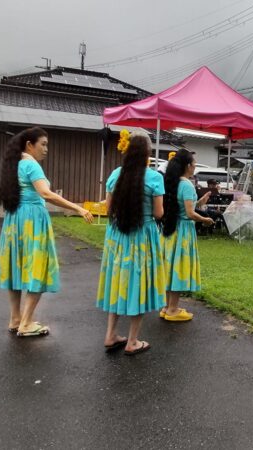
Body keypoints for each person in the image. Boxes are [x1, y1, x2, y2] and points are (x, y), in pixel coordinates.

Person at [0, 127, 93, 337]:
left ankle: (15, 318)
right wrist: (78, 207)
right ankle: (27, 322)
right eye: (43, 144)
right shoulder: (31, 164)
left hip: (15, 220)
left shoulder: (16, 163)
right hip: (32, 221)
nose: (46, 149)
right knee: (38, 267)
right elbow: (46, 193)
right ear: (30, 144)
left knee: (17, 267)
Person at [96, 133, 165, 356]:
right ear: (146, 153)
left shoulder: (115, 174)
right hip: (142, 237)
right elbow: (158, 213)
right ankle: (132, 341)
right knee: (139, 283)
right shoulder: (154, 178)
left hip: (117, 236)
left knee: (118, 282)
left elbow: (108, 209)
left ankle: (110, 335)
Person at [160, 150, 214, 322]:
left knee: (170, 269)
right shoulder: (187, 185)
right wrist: (205, 219)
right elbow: (190, 214)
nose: (195, 166)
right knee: (178, 268)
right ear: (188, 166)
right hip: (183, 232)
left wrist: (200, 202)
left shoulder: (172, 183)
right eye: (194, 164)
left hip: (170, 230)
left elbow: (184, 207)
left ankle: (167, 306)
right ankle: (173, 310)